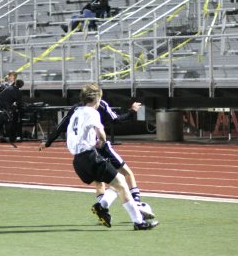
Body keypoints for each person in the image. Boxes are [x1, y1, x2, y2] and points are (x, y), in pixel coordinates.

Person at [40, 89, 155, 221]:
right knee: (126, 174)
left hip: (80, 155)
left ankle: (103, 212)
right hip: (97, 148)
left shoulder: (76, 109)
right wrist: (132, 111)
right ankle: (136, 205)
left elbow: (61, 126)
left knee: (101, 183)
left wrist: (48, 142)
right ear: (97, 98)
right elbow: (115, 121)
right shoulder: (97, 108)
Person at [65, 83, 158, 231]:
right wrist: (101, 140)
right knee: (122, 183)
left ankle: (102, 206)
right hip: (90, 156)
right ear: (97, 99)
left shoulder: (76, 112)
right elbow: (100, 131)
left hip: (77, 160)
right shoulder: (92, 112)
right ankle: (138, 222)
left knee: (115, 184)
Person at [0, 78, 24, 143]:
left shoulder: (7, 88)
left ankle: (1, 137)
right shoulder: (18, 92)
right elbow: (18, 103)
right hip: (7, 109)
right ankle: (11, 138)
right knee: (10, 124)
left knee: (0, 125)